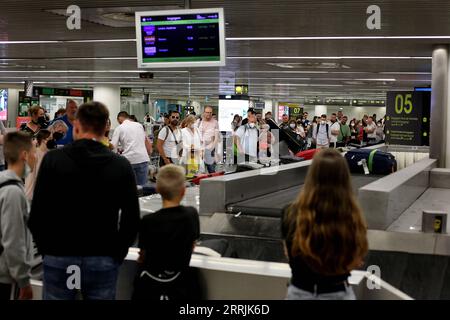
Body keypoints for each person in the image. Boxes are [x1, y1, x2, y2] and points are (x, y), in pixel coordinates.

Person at [28, 101, 140, 300]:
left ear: (77, 126)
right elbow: (131, 218)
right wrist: (117, 253)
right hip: (102, 255)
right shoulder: (120, 165)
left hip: (59, 253)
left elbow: (38, 212)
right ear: (106, 127)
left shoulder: (54, 160)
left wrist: (46, 249)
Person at [281, 149, 368, 300]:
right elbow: (356, 259)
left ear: (311, 176)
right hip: (338, 293)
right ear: (344, 178)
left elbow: (289, 253)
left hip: (299, 293)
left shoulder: (290, 212)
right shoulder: (351, 216)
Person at [132, 165, 200, 300]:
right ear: (183, 191)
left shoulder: (148, 221)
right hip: (181, 286)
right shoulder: (191, 215)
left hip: (150, 288)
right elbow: (192, 246)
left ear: (158, 190)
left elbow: (142, 255)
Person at [0, 132, 36, 300]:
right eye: (34, 152)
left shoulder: (6, 184)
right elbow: (13, 241)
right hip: (7, 276)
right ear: (24, 155)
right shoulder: (13, 192)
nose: (36, 158)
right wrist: (24, 280)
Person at [112, 111, 151, 186]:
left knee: (129, 188)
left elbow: (113, 147)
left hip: (129, 161)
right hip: (143, 159)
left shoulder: (119, 128)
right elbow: (145, 141)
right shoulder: (139, 125)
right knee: (142, 188)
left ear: (118, 119)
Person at [24, 129, 51, 201]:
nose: (52, 140)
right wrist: (29, 198)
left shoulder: (51, 154)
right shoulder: (34, 155)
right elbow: (30, 178)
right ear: (43, 140)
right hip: (35, 195)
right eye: (50, 139)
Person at [197, 106, 219, 173]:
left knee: (211, 169)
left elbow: (216, 137)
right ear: (204, 113)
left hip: (210, 148)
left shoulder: (215, 122)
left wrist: (212, 148)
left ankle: (212, 182)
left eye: (210, 112)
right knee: (200, 169)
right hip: (200, 148)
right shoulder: (199, 122)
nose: (208, 114)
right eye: (207, 112)